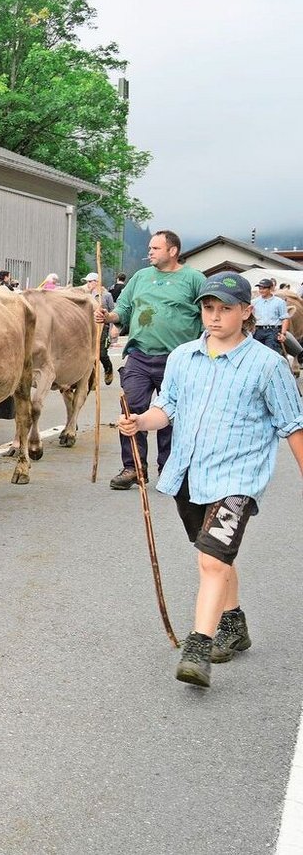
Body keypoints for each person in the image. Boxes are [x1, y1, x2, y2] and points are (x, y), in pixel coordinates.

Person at [117, 271, 303, 689]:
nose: (215, 317)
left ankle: (198, 648)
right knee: (215, 556)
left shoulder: (268, 365)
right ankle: (234, 624)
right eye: (208, 308)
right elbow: (166, 410)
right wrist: (139, 422)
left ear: (246, 312)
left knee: (210, 560)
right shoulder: (183, 357)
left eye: (225, 309)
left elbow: (293, 426)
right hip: (189, 474)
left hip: (237, 479)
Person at [94, 230, 207, 490]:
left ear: (173, 251)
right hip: (139, 355)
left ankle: (169, 468)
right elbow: (123, 309)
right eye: (150, 248)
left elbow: (207, 313)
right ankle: (133, 467)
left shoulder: (193, 279)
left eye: (156, 248)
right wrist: (109, 317)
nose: (150, 252)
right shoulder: (141, 278)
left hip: (177, 360)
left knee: (170, 414)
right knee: (131, 410)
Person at [83, 272, 117, 384]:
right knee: (90, 355)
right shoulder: (86, 296)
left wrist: (113, 328)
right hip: (89, 328)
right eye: (87, 282)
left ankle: (108, 369)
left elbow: (113, 312)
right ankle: (92, 379)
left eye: (90, 281)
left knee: (102, 353)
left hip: (103, 328)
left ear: (97, 282)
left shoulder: (106, 295)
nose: (88, 284)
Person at [250, 278, 288, 355]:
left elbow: (284, 319)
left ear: (270, 288)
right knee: (256, 354)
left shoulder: (279, 302)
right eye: (260, 288)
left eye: (264, 288)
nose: (261, 290)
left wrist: (283, 334)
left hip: (272, 331)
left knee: (272, 354)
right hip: (257, 331)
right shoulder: (254, 302)